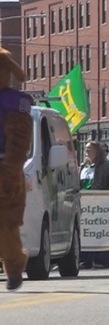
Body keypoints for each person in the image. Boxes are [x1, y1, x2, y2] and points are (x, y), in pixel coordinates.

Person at [0, 46, 33, 291]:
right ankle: (14, 269)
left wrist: (10, 169)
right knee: (7, 225)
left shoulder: (14, 101)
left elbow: (19, 140)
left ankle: (14, 266)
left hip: (4, 167)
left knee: (4, 223)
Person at [80, 141, 109, 269]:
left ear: (97, 151)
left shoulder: (106, 167)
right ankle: (85, 259)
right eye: (85, 150)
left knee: (100, 232)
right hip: (84, 207)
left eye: (89, 150)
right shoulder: (83, 167)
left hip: (100, 206)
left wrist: (104, 197)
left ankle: (102, 259)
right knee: (86, 233)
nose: (86, 152)